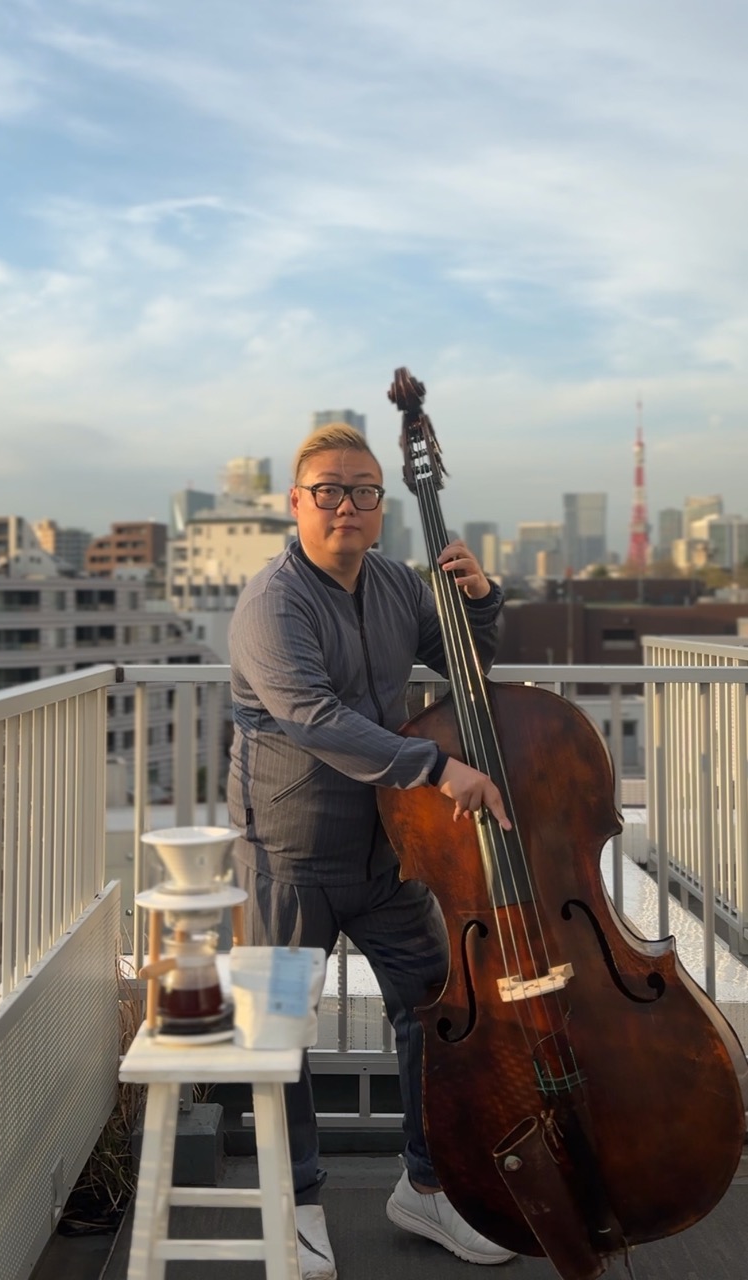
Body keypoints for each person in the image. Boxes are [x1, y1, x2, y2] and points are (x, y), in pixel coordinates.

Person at [228, 423, 515, 1279]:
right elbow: (312, 717)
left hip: (390, 853)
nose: (345, 505)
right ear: (296, 503)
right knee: (278, 1035)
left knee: (438, 1011)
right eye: (327, 490)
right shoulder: (272, 602)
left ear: (380, 506)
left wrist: (479, 601)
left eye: (362, 491)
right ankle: (294, 1206)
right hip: (286, 858)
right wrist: (436, 767)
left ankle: (426, 1185)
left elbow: (466, 667)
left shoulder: (395, 583)